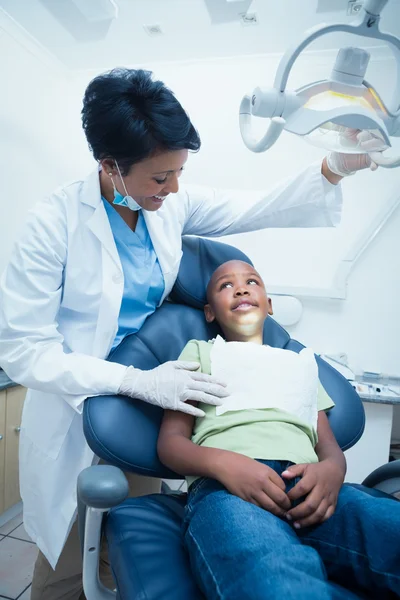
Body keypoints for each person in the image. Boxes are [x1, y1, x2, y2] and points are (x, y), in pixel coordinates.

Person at [0, 67, 379, 599]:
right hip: (80, 396)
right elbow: (23, 350)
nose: (174, 188)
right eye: (160, 177)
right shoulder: (51, 226)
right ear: (110, 166)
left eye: (179, 172)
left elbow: (253, 208)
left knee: (123, 532)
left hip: (157, 392)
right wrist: (137, 381)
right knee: (66, 552)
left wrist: (333, 168)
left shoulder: (166, 201)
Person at [157, 259, 400, 600]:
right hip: (229, 492)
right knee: (274, 578)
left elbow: (327, 445)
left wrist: (332, 470)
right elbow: (171, 443)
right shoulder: (202, 352)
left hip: (311, 493)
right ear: (210, 312)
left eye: (251, 281)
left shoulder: (300, 364)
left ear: (269, 304)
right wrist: (226, 465)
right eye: (226, 285)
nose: (240, 288)